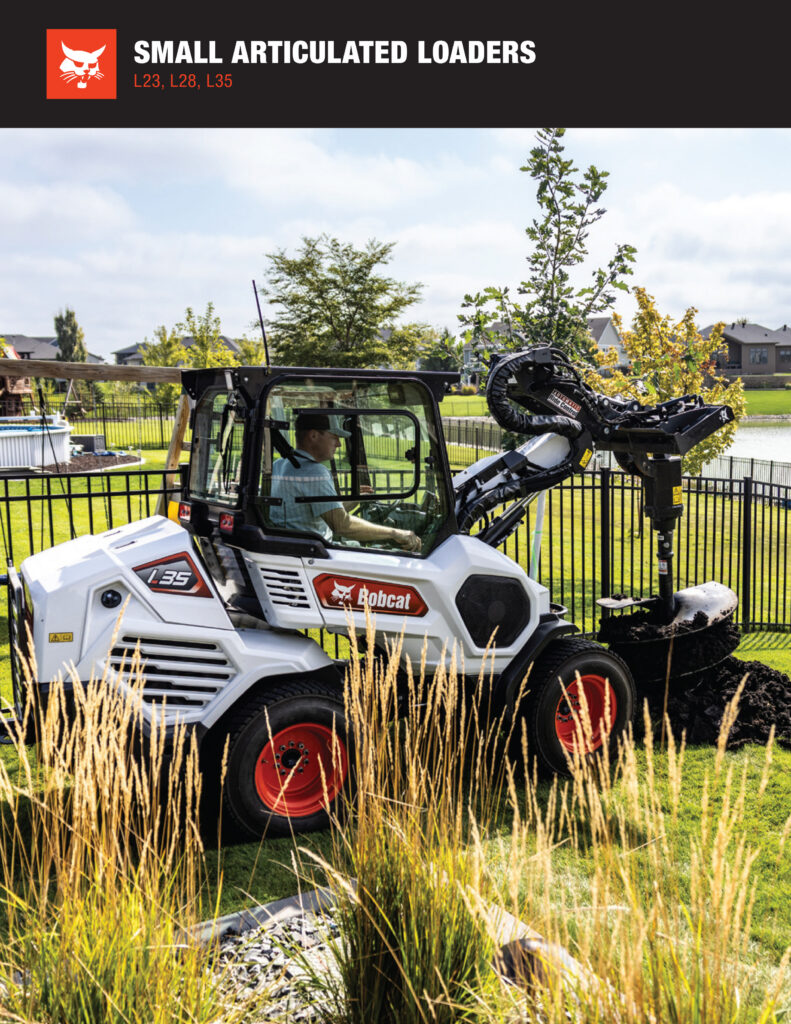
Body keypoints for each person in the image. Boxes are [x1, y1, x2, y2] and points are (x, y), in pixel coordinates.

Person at [270, 412, 421, 552]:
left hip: (296, 546)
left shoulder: (280, 465)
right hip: (317, 551)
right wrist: (394, 533)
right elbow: (341, 525)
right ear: (314, 435)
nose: (339, 444)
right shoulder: (315, 473)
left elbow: (323, 513)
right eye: (334, 437)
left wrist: (355, 499)